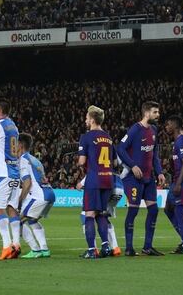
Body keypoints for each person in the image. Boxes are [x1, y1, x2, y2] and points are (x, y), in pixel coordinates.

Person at [115, 101, 167, 256]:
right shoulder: (134, 130)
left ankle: (147, 247)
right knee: (133, 211)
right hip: (133, 178)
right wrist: (132, 165)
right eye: (155, 112)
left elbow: (154, 154)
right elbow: (120, 148)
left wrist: (159, 172)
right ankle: (129, 248)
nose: (158, 115)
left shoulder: (154, 130)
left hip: (148, 178)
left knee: (153, 210)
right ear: (146, 113)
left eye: (158, 112)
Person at [77, 105, 115, 259]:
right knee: (101, 213)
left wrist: (81, 161)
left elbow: (81, 161)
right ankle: (106, 246)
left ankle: (92, 249)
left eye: (87, 118)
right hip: (108, 178)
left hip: (94, 178)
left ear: (92, 120)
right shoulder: (108, 137)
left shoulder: (86, 137)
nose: (86, 120)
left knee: (89, 214)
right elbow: (114, 160)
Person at [0, 98, 21, 260]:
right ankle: (16, 244)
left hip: (2, 173)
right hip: (15, 172)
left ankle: (7, 246)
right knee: (11, 208)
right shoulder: (13, 126)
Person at [17, 133, 54, 258]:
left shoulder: (23, 160)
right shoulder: (35, 159)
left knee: (17, 221)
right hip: (49, 193)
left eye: (15, 143)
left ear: (20, 145)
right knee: (32, 220)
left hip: (40, 196)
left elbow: (27, 184)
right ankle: (44, 249)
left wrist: (20, 201)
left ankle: (35, 249)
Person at [164, 116, 183, 254]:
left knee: (179, 209)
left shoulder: (181, 141)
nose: (166, 126)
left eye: (168, 124)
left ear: (175, 126)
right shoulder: (176, 142)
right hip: (177, 179)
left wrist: (179, 184)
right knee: (168, 209)